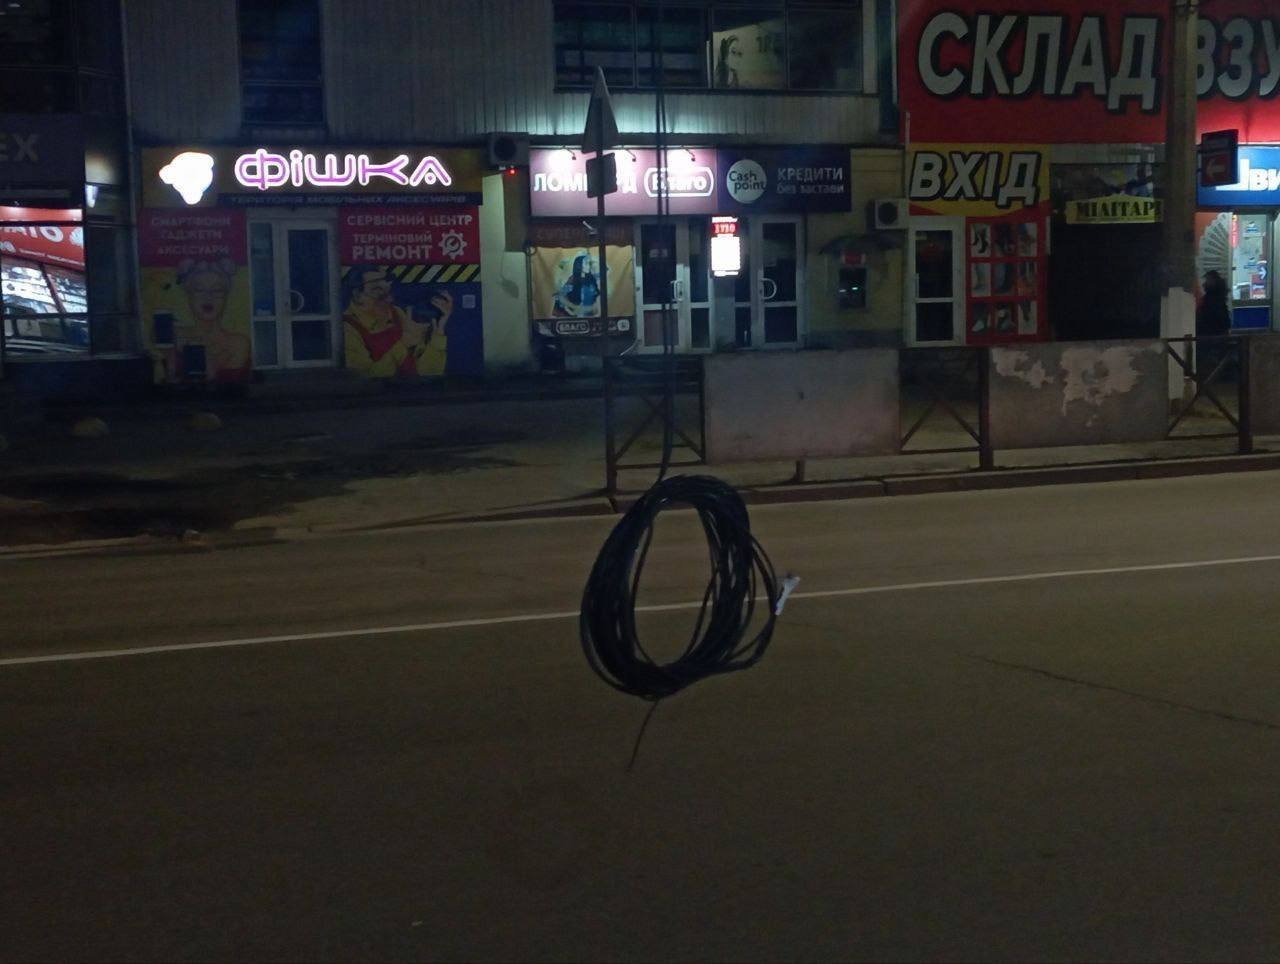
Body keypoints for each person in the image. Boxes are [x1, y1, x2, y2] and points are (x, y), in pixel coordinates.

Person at [343, 267, 451, 377]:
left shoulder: (397, 313)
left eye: (387, 284)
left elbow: (430, 372)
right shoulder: (348, 329)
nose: (387, 297)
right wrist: (403, 344)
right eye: (377, 288)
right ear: (357, 295)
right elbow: (366, 378)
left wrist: (439, 331)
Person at [172, 258, 250, 381]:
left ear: (226, 296)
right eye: (199, 290)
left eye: (217, 290)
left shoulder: (238, 343)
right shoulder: (176, 335)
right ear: (188, 295)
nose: (208, 297)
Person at [1196, 270, 1232, 380]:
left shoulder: (1211, 299)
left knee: (1207, 358)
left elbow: (1209, 316)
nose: (1204, 283)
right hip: (1217, 333)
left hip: (1210, 334)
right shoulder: (1218, 297)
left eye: (1207, 280)